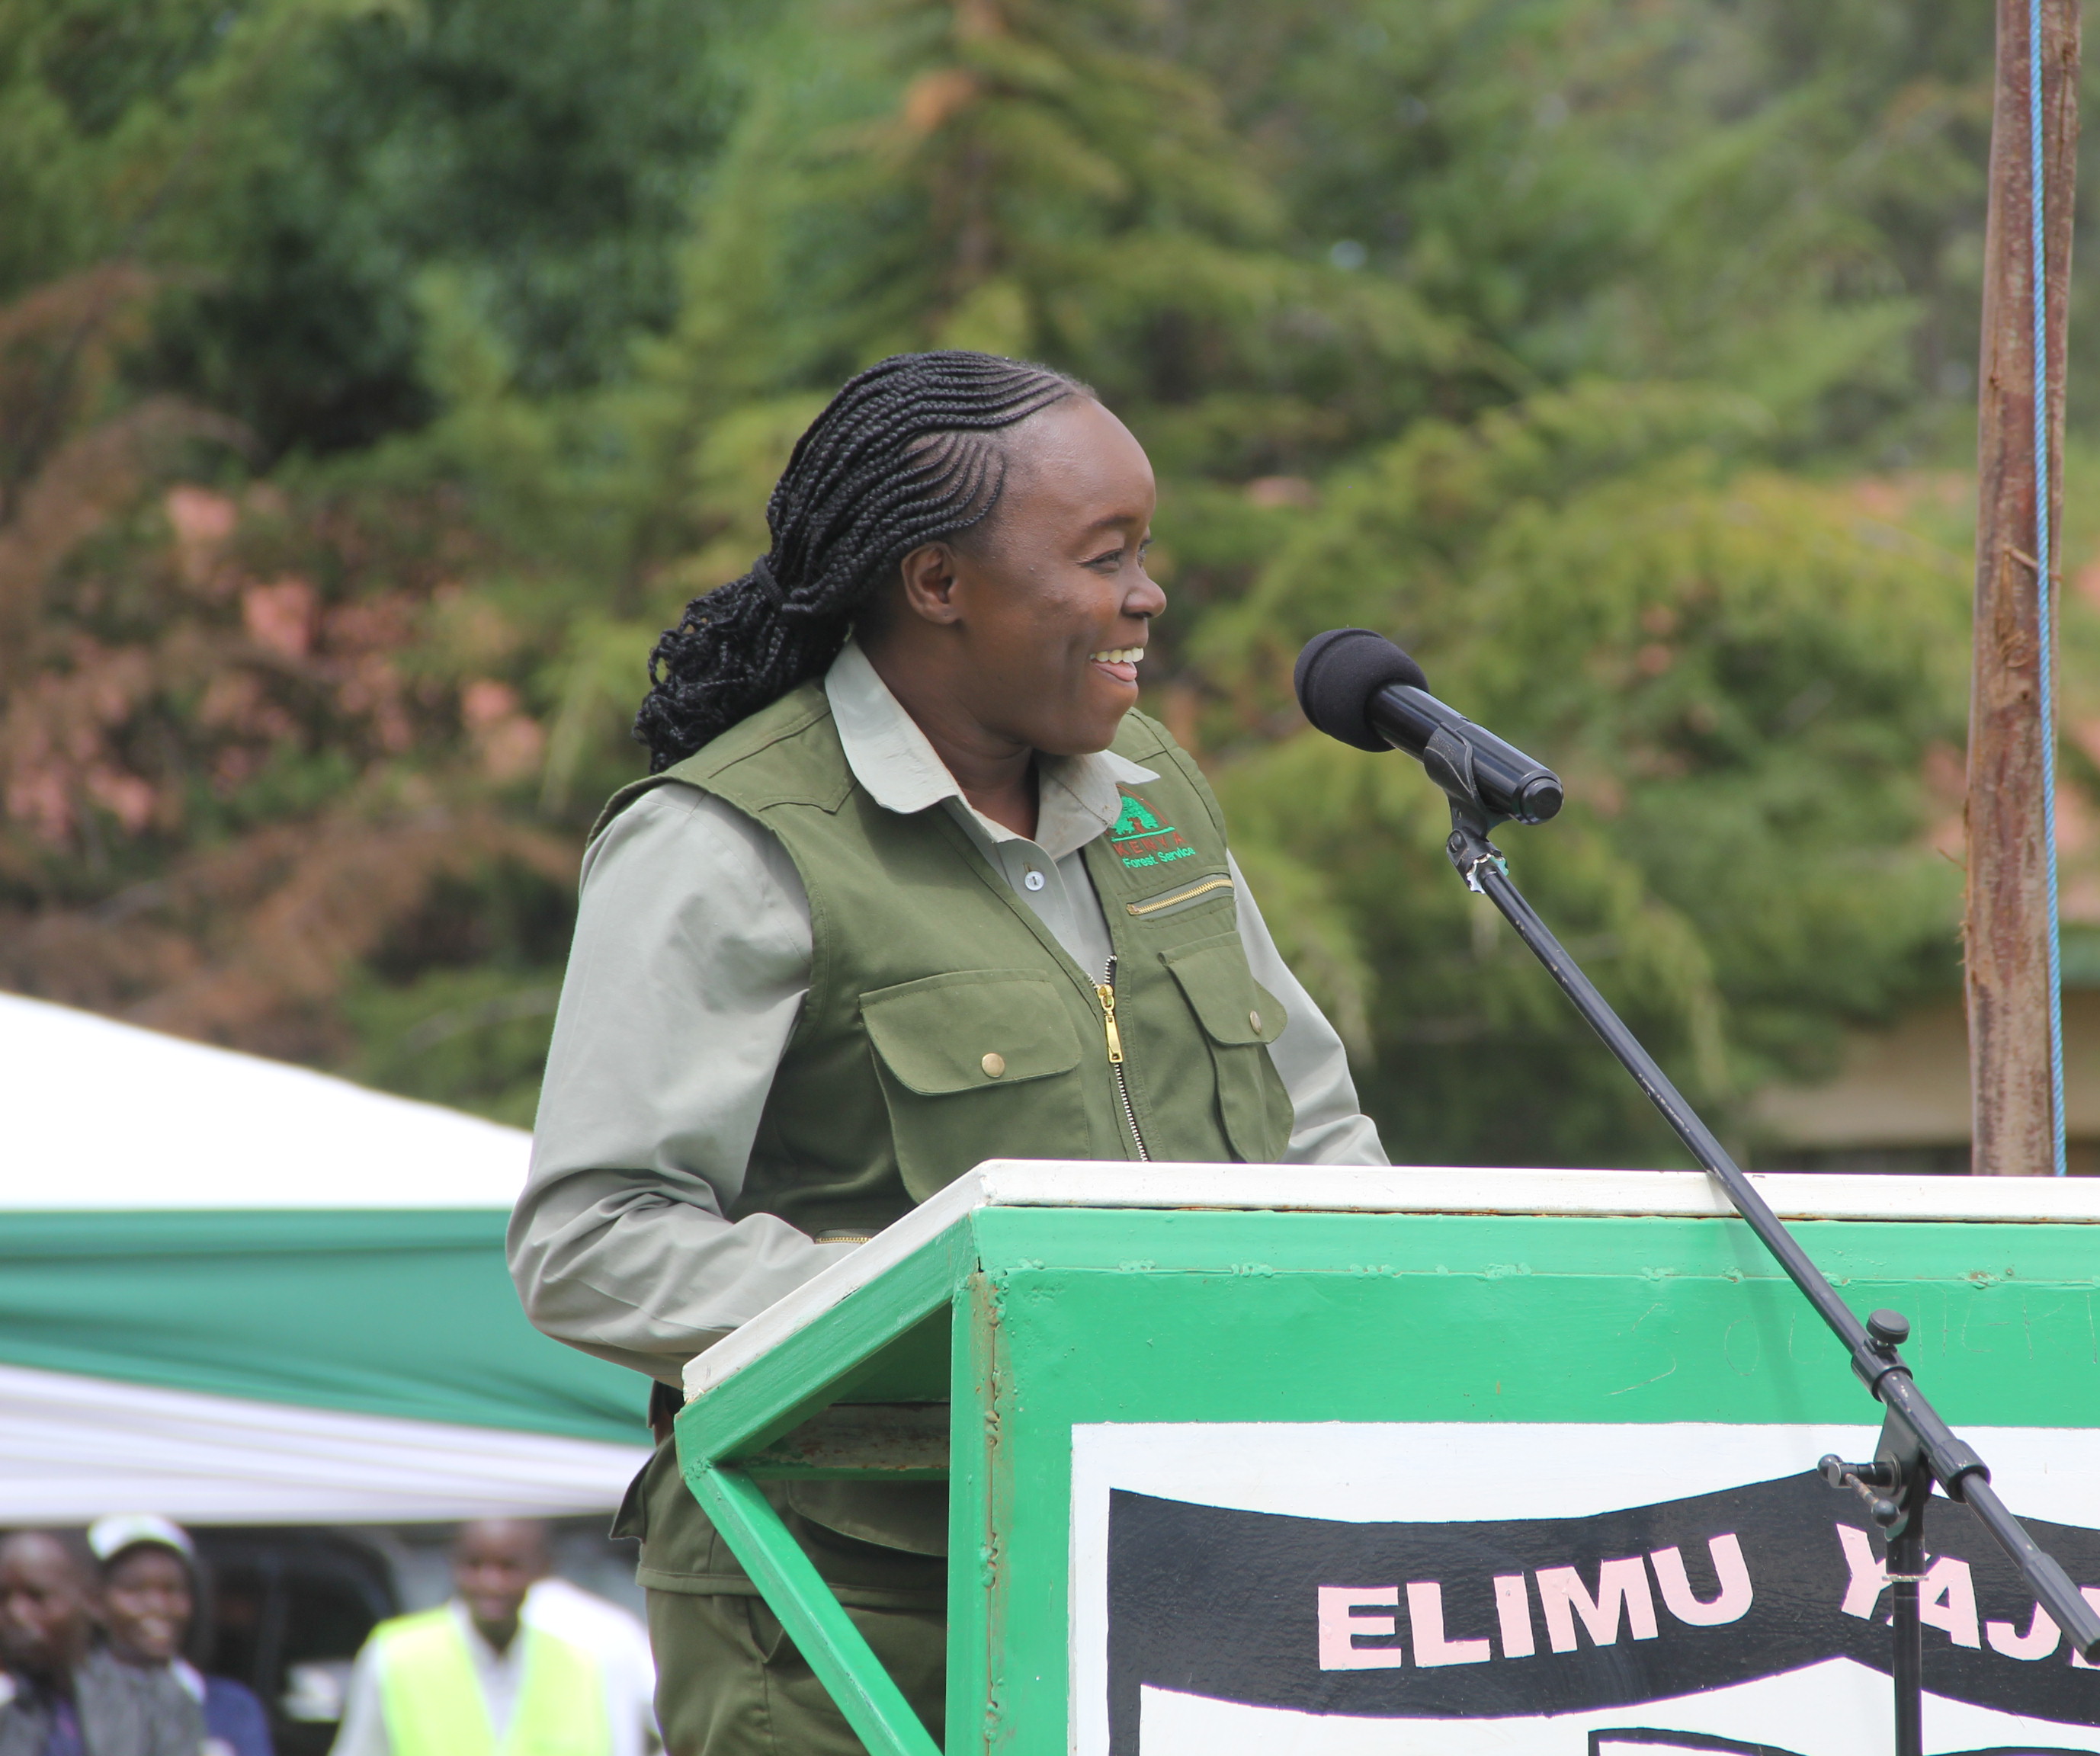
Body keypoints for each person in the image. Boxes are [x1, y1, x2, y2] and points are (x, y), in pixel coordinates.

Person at [510, 350, 1387, 1751]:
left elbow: (1317, 1128)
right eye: (1105, 557)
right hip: (844, 1615)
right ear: (936, 582)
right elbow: (593, 1238)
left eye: (1144, 553)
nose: (1148, 596)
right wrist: (973, 1310)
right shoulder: (727, 842)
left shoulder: (1156, 796)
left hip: (1176, 1568)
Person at [330, 1522, 633, 1756]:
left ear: (542, 1570)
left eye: (509, 1567)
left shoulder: (580, 1663)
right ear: (453, 1566)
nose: (490, 1583)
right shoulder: (396, 1656)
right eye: (474, 1565)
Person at [0, 1530, 200, 1756]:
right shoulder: (12, 1707)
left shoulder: (156, 1702)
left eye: (37, 1597)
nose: (16, 1615)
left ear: (89, 1600)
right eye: (2, 1598)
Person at [83, 1517, 271, 1756]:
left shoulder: (231, 1708)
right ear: (96, 1602)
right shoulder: (68, 1702)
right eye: (135, 1590)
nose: (158, 1606)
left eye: (172, 1589)